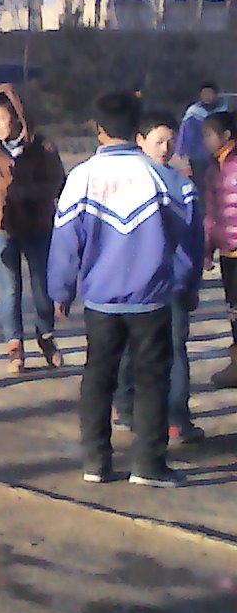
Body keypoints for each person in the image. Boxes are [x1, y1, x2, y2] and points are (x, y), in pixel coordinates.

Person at [48, 88, 194, 488]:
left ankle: (96, 463)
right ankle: (148, 465)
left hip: (101, 301)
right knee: (152, 380)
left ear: (98, 129)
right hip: (152, 301)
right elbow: (185, 238)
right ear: (137, 129)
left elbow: (65, 242)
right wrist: (184, 284)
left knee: (98, 378)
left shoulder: (81, 178)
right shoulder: (163, 178)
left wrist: (61, 292)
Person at [0, 85, 68, 377]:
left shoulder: (42, 148)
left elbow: (59, 183)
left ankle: (46, 336)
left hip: (38, 226)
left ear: (18, 117)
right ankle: (14, 345)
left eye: (2, 119)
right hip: (3, 228)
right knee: (10, 288)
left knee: (42, 286)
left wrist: (31, 193)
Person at [113, 112, 205, 442]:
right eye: (158, 141)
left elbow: (195, 240)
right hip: (140, 283)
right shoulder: (127, 183)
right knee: (135, 346)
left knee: (172, 349)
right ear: (140, 141)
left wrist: (192, 282)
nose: (165, 148)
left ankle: (174, 416)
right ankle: (127, 405)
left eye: (170, 141)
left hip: (170, 282)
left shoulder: (183, 184)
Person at [201, 105, 237, 390]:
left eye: (208, 135)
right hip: (228, 252)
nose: (205, 140)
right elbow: (212, 215)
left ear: (225, 135)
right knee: (233, 310)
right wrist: (207, 248)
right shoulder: (214, 168)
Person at [176, 80, 223, 183]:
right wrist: (181, 152)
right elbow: (184, 133)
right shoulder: (193, 113)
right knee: (200, 182)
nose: (207, 96)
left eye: (210, 93)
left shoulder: (222, 112)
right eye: (205, 93)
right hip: (197, 156)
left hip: (218, 154)